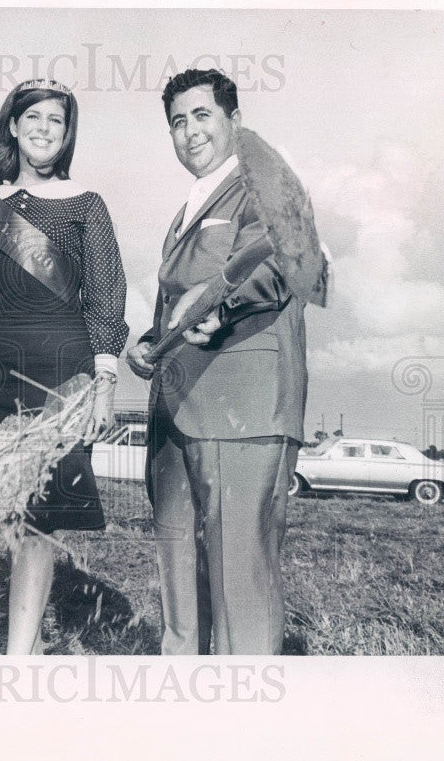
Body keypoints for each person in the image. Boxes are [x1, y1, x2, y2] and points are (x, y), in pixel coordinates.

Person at [127, 68, 308, 655]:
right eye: (177, 122)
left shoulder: (266, 186)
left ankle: (244, 723)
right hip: (175, 412)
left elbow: (284, 265)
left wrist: (225, 310)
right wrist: (148, 343)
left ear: (235, 120)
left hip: (242, 406)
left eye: (202, 115)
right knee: (179, 575)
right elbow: (180, 304)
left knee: (238, 578)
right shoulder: (185, 210)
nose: (189, 132)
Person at [0, 78, 128, 655]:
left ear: (67, 133)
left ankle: (17, 655)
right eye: (34, 117)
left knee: (41, 517)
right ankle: (19, 630)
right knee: (7, 508)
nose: (44, 128)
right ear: (13, 126)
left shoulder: (88, 205)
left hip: (62, 372)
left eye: (57, 119)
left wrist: (103, 384)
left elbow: (107, 294)